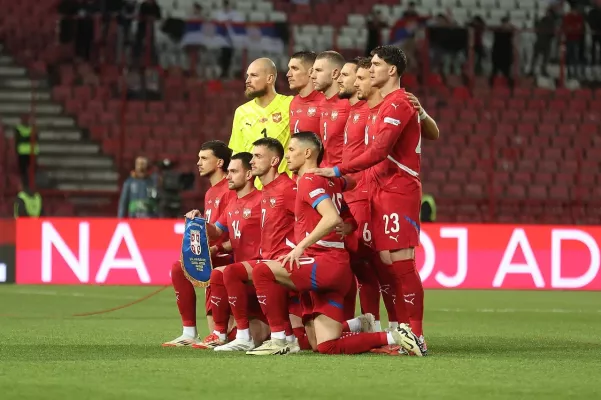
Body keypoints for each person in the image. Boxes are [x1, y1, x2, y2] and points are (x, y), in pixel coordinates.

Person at [246, 132, 421, 356]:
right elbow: (347, 217)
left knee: (263, 271)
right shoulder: (328, 180)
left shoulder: (309, 180)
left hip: (323, 263)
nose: (286, 156)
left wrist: (300, 247)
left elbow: (331, 218)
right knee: (324, 345)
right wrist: (347, 224)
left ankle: (280, 340)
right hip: (336, 267)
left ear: (307, 153)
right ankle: (393, 335)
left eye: (291, 150)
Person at [311, 46, 428, 356]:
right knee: (386, 263)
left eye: (376, 64)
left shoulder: (400, 103)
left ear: (391, 70)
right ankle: (399, 332)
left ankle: (415, 335)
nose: (371, 68)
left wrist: (334, 170)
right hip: (379, 188)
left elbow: (378, 151)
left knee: (400, 262)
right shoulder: (383, 105)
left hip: (399, 188)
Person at [337, 57, 397, 337]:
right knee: (359, 264)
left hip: (365, 196)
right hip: (347, 193)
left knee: (376, 263)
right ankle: (370, 322)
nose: (345, 80)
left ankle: (397, 326)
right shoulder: (350, 110)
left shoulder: (373, 111)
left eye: (353, 76)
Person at [186, 152, 268, 349]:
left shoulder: (262, 200)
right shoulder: (232, 203)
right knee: (217, 273)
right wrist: (199, 222)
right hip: (240, 268)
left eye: (233, 171)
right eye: (228, 171)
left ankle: (240, 336)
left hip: (259, 266)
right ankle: (219, 333)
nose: (228, 176)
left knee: (267, 335)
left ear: (249, 175)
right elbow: (216, 231)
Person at [162, 140, 235, 347]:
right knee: (179, 267)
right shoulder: (210, 192)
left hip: (227, 255)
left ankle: (225, 330)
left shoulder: (230, 190)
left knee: (224, 334)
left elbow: (233, 230)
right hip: (212, 255)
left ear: (220, 162)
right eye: (198, 158)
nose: (198, 163)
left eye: (204, 158)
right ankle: (189, 332)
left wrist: (214, 246)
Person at [228, 57, 293, 188]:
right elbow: (238, 155)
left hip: (285, 189)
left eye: (254, 76)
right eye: (247, 76)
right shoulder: (241, 112)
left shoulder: (290, 104)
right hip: (254, 191)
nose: (247, 81)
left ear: (270, 79)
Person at [311, 51, 350, 167]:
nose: (312, 75)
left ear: (335, 73)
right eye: (313, 70)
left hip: (345, 176)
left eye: (318, 70)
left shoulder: (349, 103)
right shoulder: (322, 103)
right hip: (326, 172)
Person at [287, 51, 324, 135]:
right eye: (289, 69)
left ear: (311, 72)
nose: (288, 74)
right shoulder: (294, 102)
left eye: (295, 68)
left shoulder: (324, 102)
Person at [13, 114, 38, 188]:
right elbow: (19, 139)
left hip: (32, 152)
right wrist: (29, 137)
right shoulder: (18, 128)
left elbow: (36, 137)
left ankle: (31, 184)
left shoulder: (32, 128)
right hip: (22, 152)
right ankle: (25, 185)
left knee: (32, 170)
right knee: (23, 171)